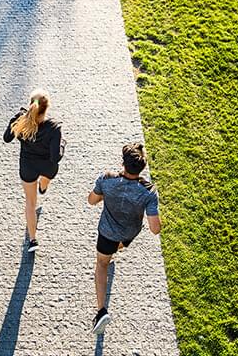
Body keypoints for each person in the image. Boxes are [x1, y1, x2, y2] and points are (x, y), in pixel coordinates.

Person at [87, 143, 161, 334]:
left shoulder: (107, 179)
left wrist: (107, 194)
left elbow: (91, 200)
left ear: (123, 163)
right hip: (129, 233)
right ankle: (113, 252)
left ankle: (101, 311)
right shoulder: (149, 191)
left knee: (102, 264)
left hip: (107, 232)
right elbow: (155, 229)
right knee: (116, 248)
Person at [4, 89, 64, 252]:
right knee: (46, 179)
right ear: (47, 108)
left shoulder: (21, 119)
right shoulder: (54, 127)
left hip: (28, 166)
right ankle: (43, 187)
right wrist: (62, 145)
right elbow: (55, 157)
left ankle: (32, 240)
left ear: (31, 104)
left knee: (30, 203)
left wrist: (15, 118)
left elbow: (6, 138)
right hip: (47, 166)